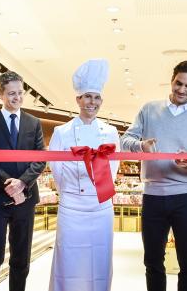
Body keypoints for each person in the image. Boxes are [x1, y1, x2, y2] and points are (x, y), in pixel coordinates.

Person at [121, 60, 187, 291]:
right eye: (178, 83)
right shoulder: (148, 109)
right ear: (172, 80)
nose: (182, 90)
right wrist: (141, 146)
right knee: (152, 261)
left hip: (185, 197)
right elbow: (124, 141)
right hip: (152, 196)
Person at [48, 59, 120, 291]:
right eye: (88, 96)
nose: (92, 102)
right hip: (72, 207)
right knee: (68, 259)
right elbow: (56, 169)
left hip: (101, 207)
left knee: (100, 259)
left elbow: (113, 170)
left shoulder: (111, 132)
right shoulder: (62, 132)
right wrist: (70, 194)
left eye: (97, 97)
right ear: (78, 99)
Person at [0, 71, 46, 291]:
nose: (17, 97)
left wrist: (23, 183)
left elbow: (40, 159)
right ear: (0, 94)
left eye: (20, 93)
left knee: (21, 258)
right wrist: (10, 184)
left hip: (25, 200)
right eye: (11, 93)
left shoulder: (33, 122)